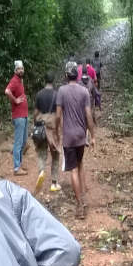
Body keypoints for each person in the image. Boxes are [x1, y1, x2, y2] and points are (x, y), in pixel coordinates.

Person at [55, 61, 95, 219]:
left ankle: (79, 204)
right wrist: (93, 136)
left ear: (66, 75)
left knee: (73, 169)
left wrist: (58, 132)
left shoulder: (62, 91)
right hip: (81, 135)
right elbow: (89, 115)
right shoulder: (84, 91)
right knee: (80, 165)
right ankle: (83, 195)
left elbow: (58, 115)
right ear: (76, 75)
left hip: (69, 136)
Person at [33, 71, 61, 193]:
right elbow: (59, 114)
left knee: (41, 153)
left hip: (41, 126)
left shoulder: (39, 94)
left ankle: (42, 171)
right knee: (55, 155)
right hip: (52, 126)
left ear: (45, 80)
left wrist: (36, 124)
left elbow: (35, 113)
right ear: (53, 80)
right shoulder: (57, 94)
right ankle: (54, 184)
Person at [5, 60, 28, 176]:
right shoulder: (14, 80)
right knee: (18, 143)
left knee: (24, 141)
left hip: (24, 115)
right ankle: (16, 168)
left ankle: (19, 164)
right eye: (19, 69)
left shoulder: (20, 80)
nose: (21, 70)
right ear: (15, 70)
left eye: (22, 68)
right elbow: (7, 91)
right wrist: (15, 100)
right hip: (18, 116)